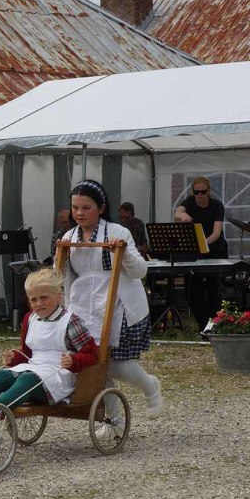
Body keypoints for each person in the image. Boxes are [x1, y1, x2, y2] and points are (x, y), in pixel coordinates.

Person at [59, 179, 163, 419]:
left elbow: (140, 271)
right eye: (75, 208)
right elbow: (65, 276)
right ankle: (112, 419)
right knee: (92, 364)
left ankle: (150, 387)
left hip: (117, 305)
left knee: (117, 365)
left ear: (101, 208)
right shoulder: (69, 236)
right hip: (83, 305)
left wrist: (123, 252)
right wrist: (60, 256)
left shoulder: (118, 232)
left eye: (86, 208)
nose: (79, 213)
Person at [0, 268, 98, 409]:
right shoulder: (30, 319)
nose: (39, 303)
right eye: (34, 300)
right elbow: (28, 354)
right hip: (34, 369)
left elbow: (92, 354)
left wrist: (74, 361)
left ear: (58, 297)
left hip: (58, 377)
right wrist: (15, 357)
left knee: (27, 379)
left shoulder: (70, 322)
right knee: (2, 375)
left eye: (44, 298)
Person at [174, 176, 228, 333]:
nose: (200, 195)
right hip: (195, 253)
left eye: (203, 192)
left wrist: (202, 244)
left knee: (213, 289)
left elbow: (216, 234)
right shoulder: (189, 202)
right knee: (193, 289)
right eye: (196, 192)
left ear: (208, 191)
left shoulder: (217, 206)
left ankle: (213, 324)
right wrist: (182, 216)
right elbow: (178, 212)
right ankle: (202, 323)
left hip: (215, 250)